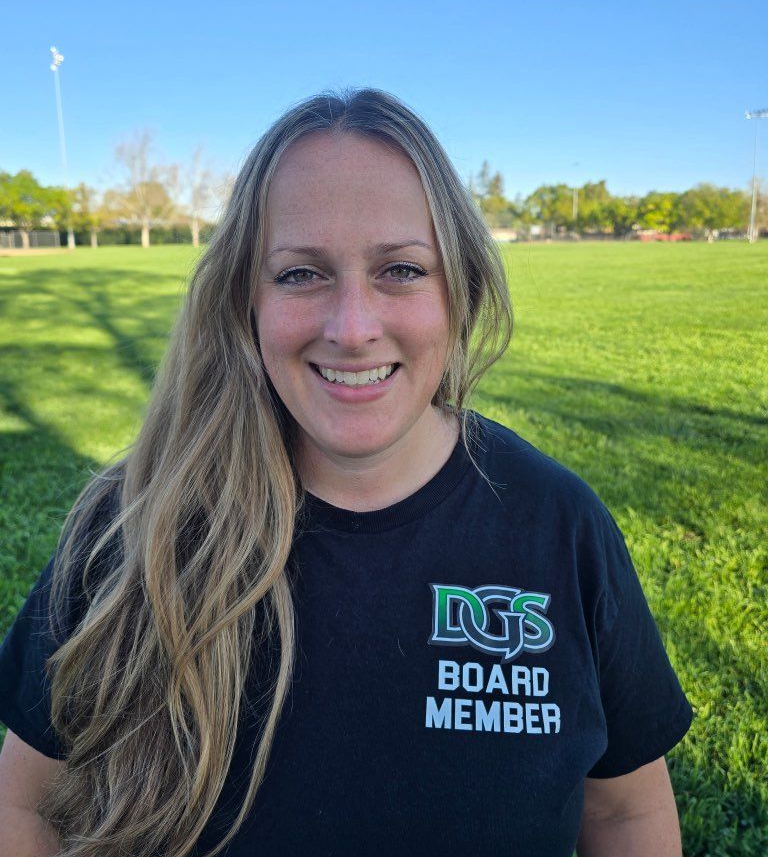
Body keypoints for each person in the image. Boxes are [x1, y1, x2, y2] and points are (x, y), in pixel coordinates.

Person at [0, 87, 694, 857]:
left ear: (457, 291)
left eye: (401, 269)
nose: (354, 328)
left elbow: (628, 815)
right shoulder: (133, 526)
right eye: (301, 275)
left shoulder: (558, 525)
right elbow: (26, 808)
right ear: (245, 301)